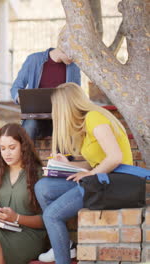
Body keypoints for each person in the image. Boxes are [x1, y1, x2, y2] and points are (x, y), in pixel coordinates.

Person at [34, 83, 133, 264]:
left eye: (56, 107)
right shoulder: (85, 125)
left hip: (114, 184)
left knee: (51, 215)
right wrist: (69, 164)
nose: (54, 112)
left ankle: (61, 256)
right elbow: (95, 161)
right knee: (43, 187)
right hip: (99, 180)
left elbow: (115, 157)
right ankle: (63, 245)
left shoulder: (95, 117)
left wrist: (91, 173)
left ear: (66, 105)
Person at [0, 123, 46, 264]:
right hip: (3, 230)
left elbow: (47, 220)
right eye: (3, 148)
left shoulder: (38, 174)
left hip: (29, 235)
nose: (7, 153)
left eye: (12, 148)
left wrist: (17, 218)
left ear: (23, 147)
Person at [10, 47, 81, 140]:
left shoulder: (74, 66)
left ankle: (63, 155)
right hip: (36, 117)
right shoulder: (34, 60)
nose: (73, 58)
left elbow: (76, 92)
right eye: (72, 54)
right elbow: (15, 87)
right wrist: (23, 99)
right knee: (30, 126)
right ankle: (25, 154)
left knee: (67, 132)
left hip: (62, 117)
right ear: (62, 48)